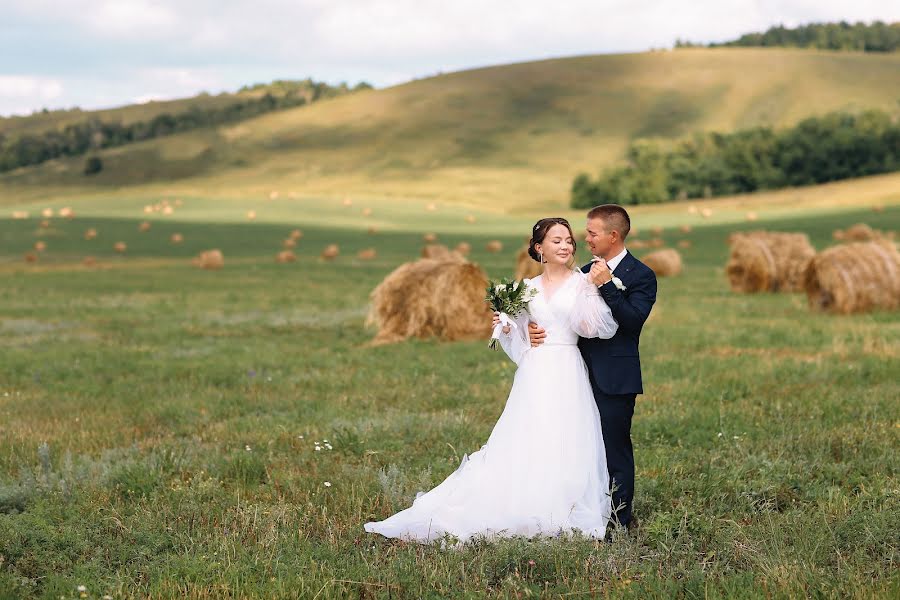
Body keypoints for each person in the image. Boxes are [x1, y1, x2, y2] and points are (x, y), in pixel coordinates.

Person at [364, 218, 619, 544]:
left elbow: (595, 329)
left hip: (568, 366)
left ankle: (562, 503)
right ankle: (518, 499)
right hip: (536, 370)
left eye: (569, 240)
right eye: (556, 241)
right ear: (539, 248)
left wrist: (592, 292)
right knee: (529, 431)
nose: (565, 246)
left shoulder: (582, 282)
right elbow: (517, 343)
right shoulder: (525, 289)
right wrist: (516, 328)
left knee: (568, 433)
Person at [529, 205, 657, 530]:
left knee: (614, 448)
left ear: (613, 235)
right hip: (573, 375)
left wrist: (608, 286)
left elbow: (631, 322)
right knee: (577, 446)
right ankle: (579, 512)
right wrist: (533, 329)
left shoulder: (642, 275)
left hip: (614, 378)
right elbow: (563, 317)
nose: (584, 239)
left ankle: (618, 521)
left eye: (591, 233)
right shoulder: (580, 272)